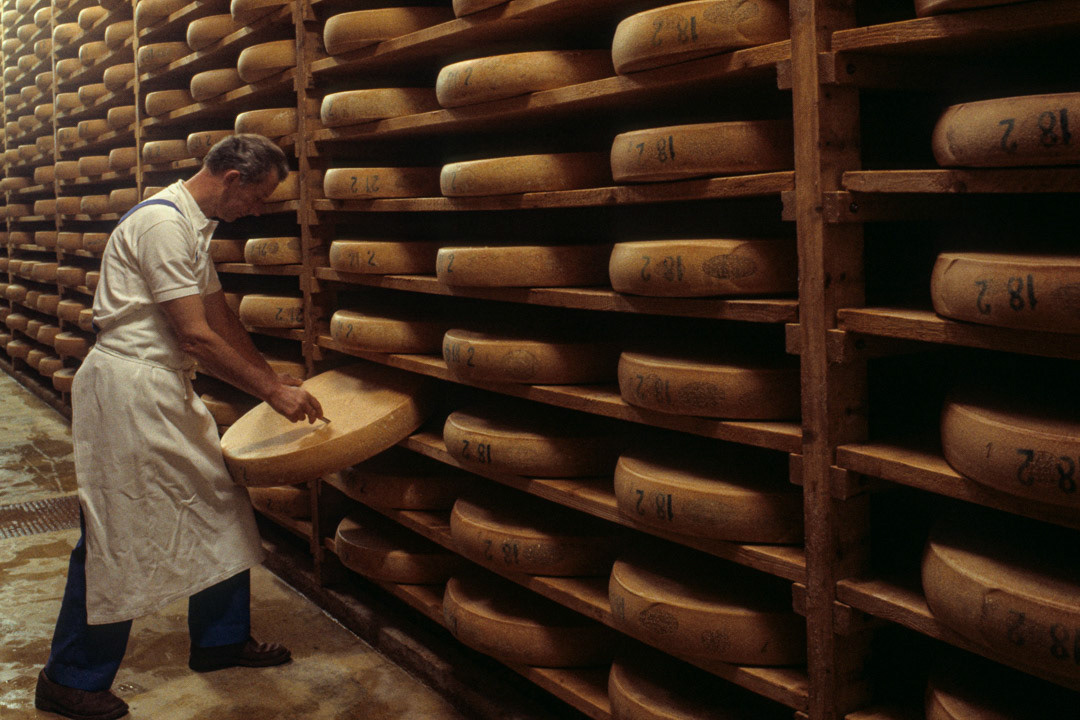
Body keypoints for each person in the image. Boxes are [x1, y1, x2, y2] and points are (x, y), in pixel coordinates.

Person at [35, 134, 324, 720]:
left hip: (162, 385)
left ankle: (219, 641)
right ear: (233, 179)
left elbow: (218, 315)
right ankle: (69, 678)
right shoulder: (163, 225)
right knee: (116, 529)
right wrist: (268, 391)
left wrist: (273, 383)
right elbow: (194, 333)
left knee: (217, 502)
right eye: (260, 197)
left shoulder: (195, 224)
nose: (260, 211)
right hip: (128, 387)